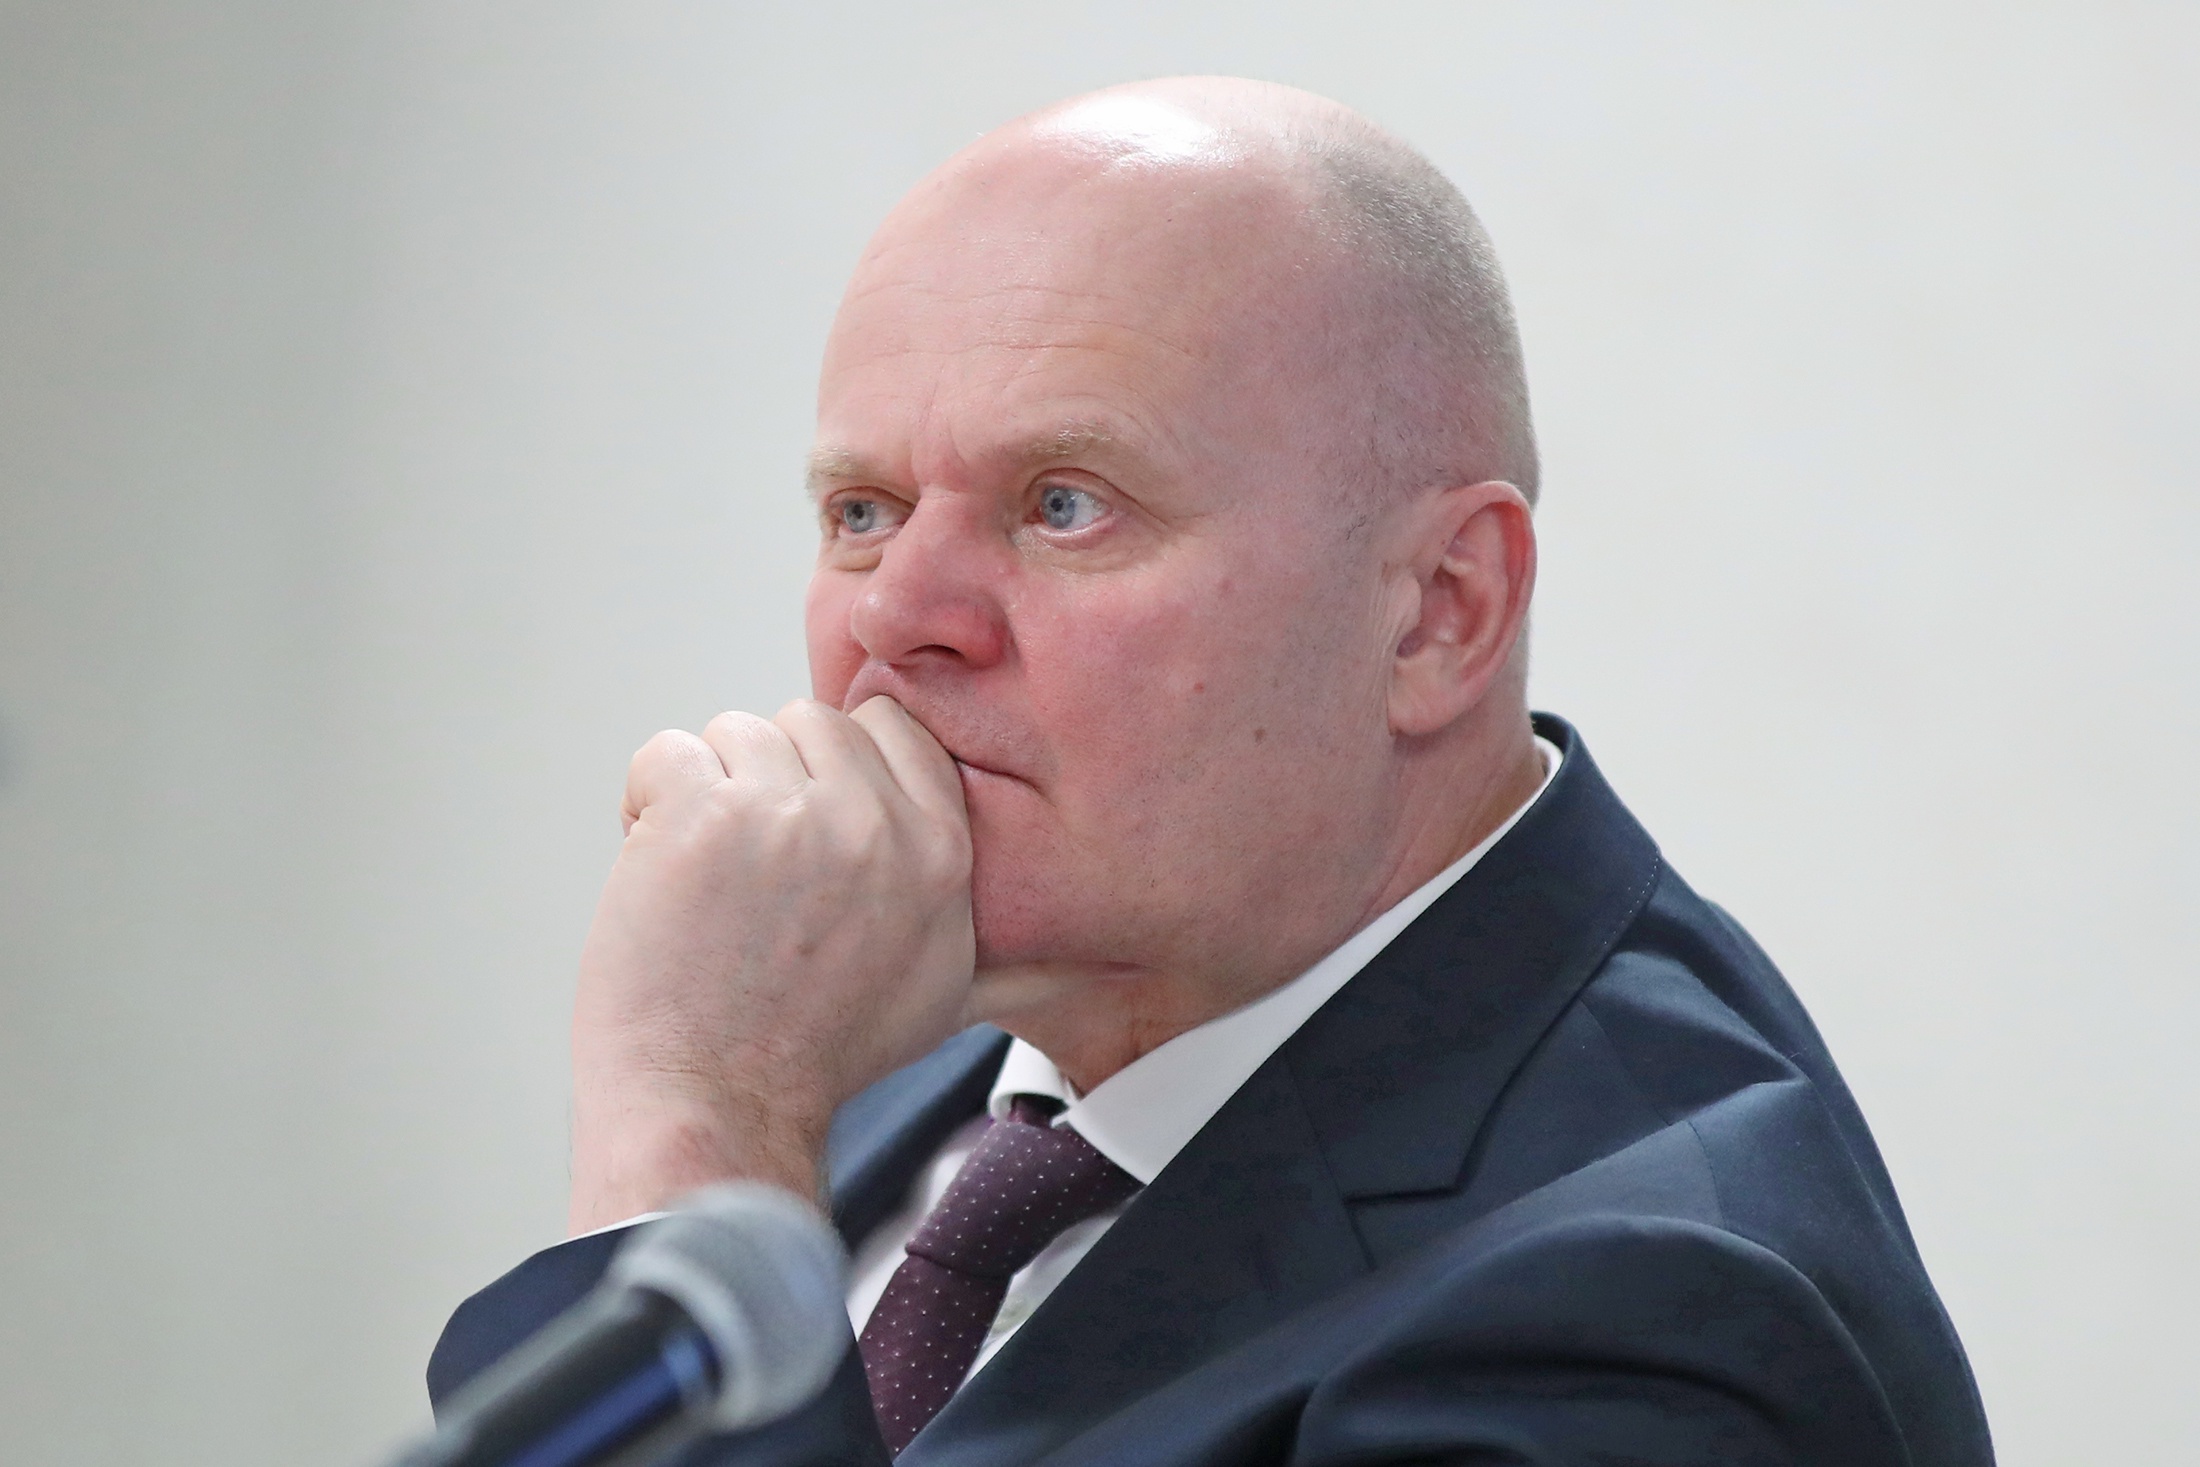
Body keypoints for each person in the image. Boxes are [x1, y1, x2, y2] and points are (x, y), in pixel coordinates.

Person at [425, 78, 1994, 1466]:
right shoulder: (885, 1033)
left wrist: (691, 1148)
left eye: (1064, 504)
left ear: (1438, 613)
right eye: (862, 513)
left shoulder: (1649, 1330)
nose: (900, 616)